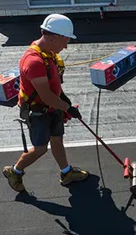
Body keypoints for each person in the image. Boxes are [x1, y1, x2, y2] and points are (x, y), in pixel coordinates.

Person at [2, 13, 89, 193]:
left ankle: (66, 173)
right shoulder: (33, 61)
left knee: (57, 139)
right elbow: (46, 96)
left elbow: (53, 86)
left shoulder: (48, 53)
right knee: (40, 148)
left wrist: (64, 101)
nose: (66, 46)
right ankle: (14, 171)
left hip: (52, 107)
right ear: (51, 37)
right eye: (65, 41)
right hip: (38, 112)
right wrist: (68, 108)